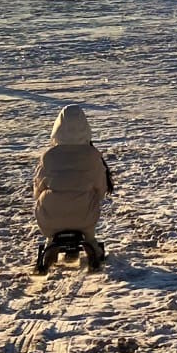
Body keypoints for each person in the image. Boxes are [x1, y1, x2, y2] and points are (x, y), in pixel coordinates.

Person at [32, 106, 114, 272]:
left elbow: (38, 186)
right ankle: (91, 244)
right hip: (83, 215)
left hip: (51, 216)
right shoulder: (92, 155)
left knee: (46, 200)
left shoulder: (49, 156)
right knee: (88, 225)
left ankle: (50, 242)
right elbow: (101, 187)